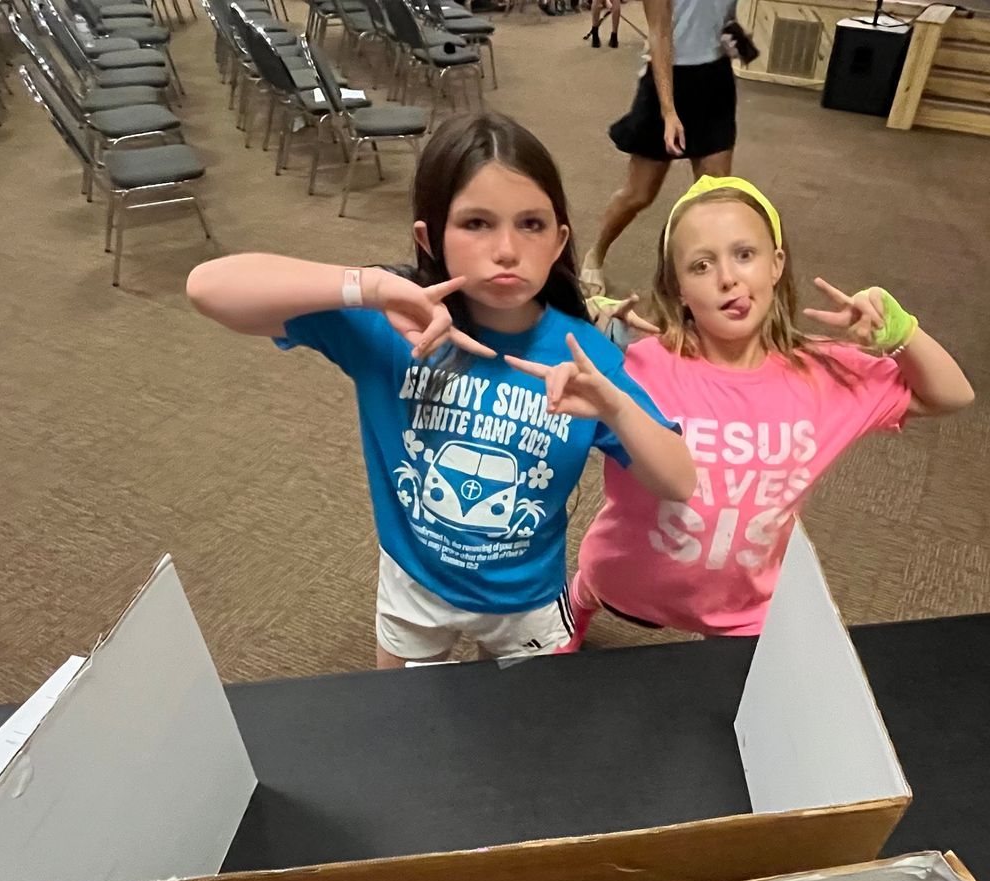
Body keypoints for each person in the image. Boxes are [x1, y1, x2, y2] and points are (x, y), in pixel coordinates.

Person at [186, 113, 695, 666]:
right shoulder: (391, 327)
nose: (507, 249)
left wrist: (615, 408)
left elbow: (678, 481)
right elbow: (208, 287)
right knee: (405, 715)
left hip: (526, 600)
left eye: (531, 224)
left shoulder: (583, 356)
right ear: (430, 238)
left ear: (559, 242)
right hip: (415, 584)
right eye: (476, 223)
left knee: (529, 719)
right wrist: (368, 285)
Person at [568, 175, 974, 641]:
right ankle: (579, 599)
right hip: (628, 574)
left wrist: (899, 333)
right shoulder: (638, 365)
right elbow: (535, 402)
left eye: (745, 255)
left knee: (747, 682)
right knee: (593, 588)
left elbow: (951, 395)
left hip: (742, 605)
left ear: (776, 264)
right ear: (677, 287)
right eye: (701, 265)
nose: (728, 278)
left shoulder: (827, 374)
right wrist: (580, 332)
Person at [583, 0, 739, 293]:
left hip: (716, 80)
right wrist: (669, 111)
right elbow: (659, 33)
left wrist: (735, 39)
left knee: (715, 195)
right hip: (668, 78)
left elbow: (725, 17)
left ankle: (701, 276)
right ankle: (595, 254)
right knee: (639, 194)